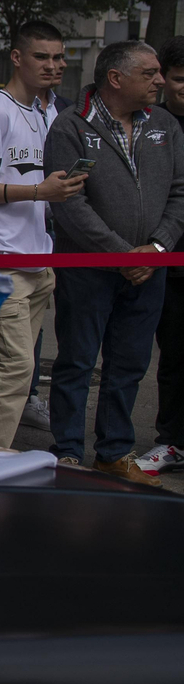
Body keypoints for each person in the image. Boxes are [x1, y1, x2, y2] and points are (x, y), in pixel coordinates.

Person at [44, 40, 184, 484]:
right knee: (77, 361)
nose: (159, 81)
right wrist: (122, 253)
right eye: (150, 73)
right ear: (116, 78)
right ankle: (67, 453)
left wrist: (156, 249)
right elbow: (70, 205)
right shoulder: (71, 126)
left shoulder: (164, 125)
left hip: (149, 269)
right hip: (89, 269)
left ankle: (114, 452)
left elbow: (181, 192)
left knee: (129, 365)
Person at [0, 21, 86, 448]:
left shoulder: (53, 111)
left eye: (59, 57)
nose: (53, 65)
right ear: (17, 58)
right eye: (42, 56)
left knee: (1, 372)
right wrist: (41, 191)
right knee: (14, 370)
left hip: (39, 261)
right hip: (1, 260)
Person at [140, 35, 184, 476]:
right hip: (165, 256)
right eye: (180, 79)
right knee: (173, 355)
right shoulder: (151, 123)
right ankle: (173, 441)